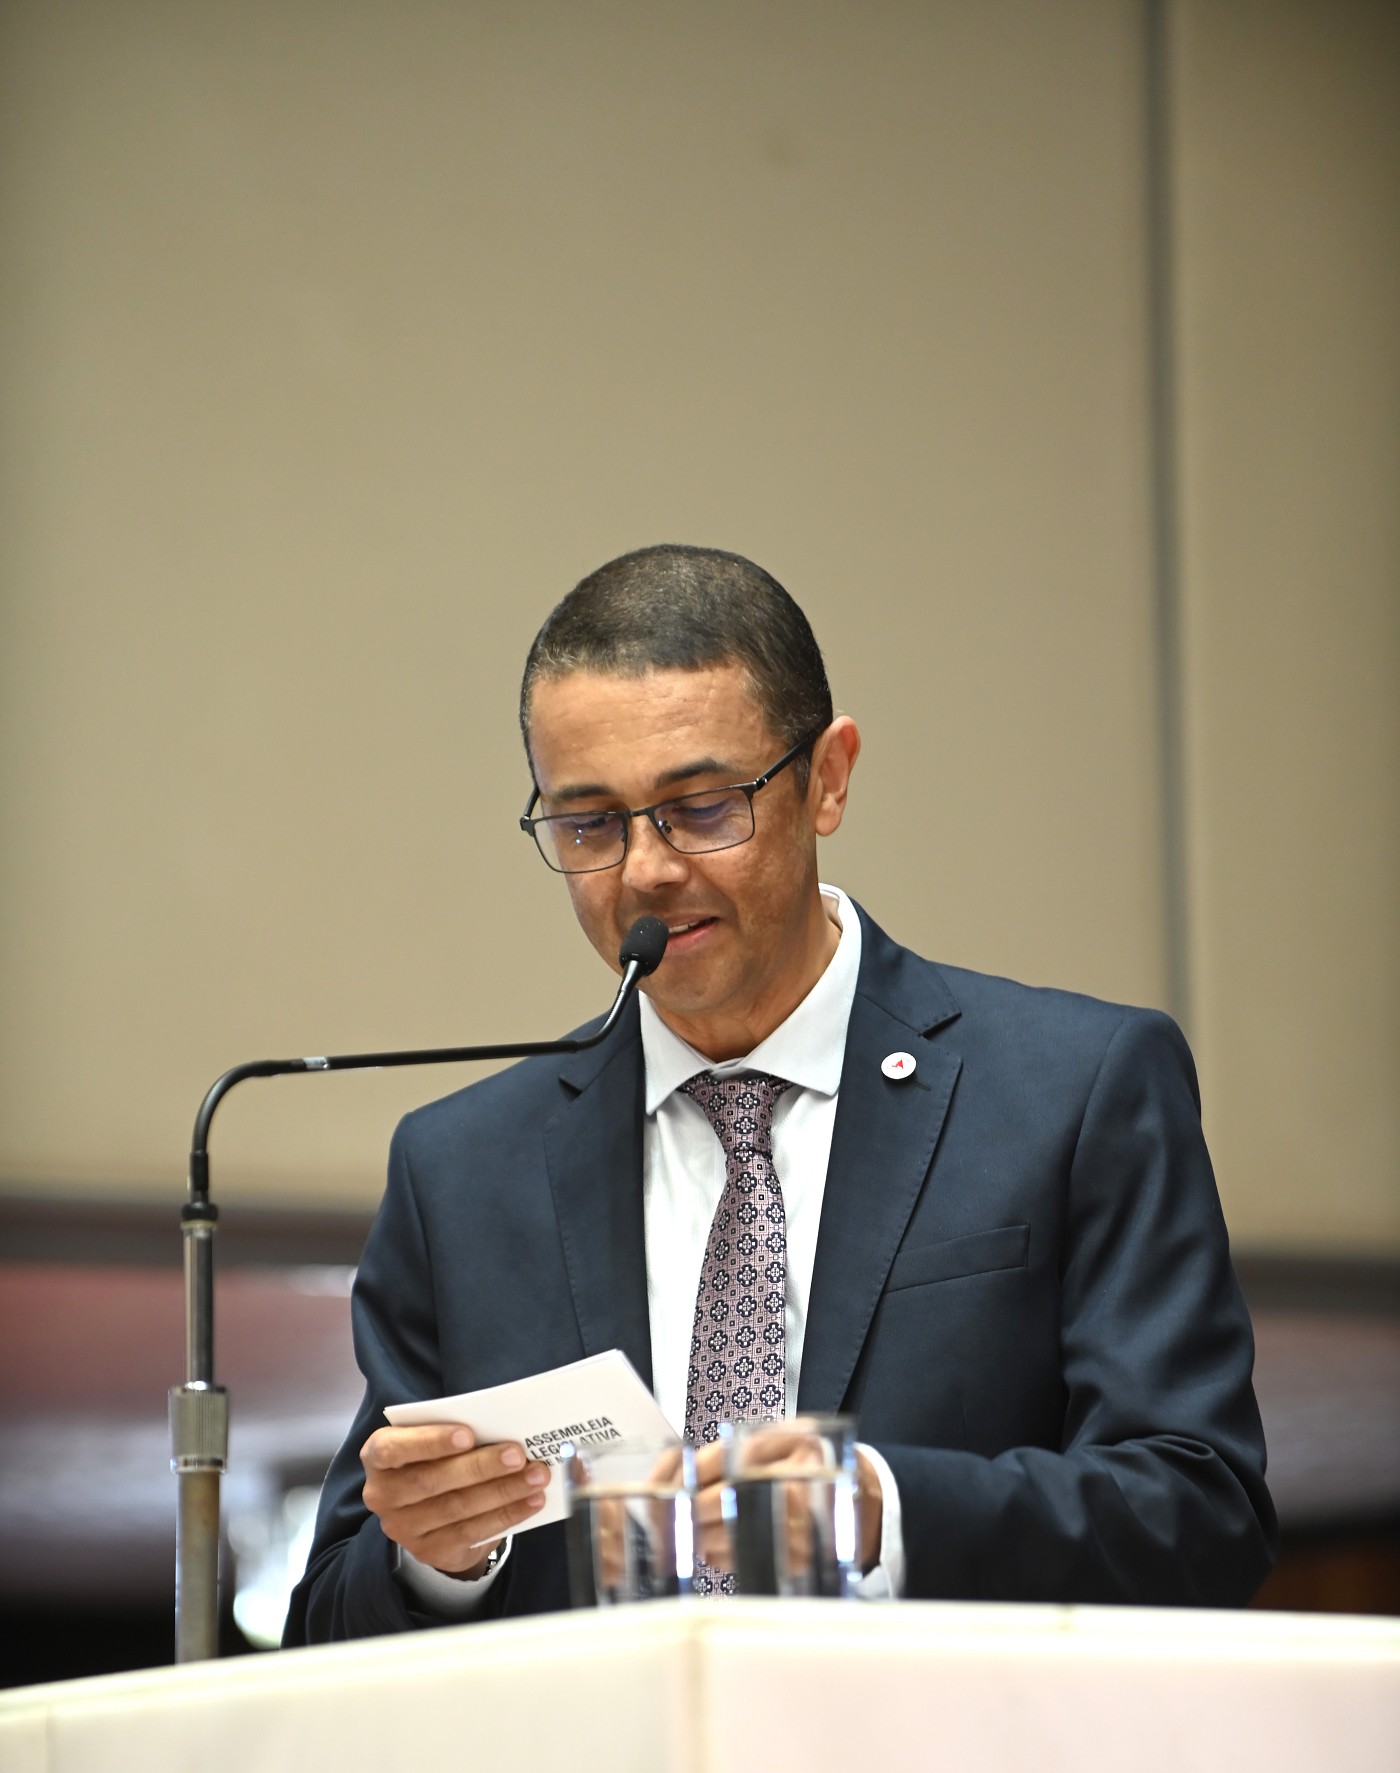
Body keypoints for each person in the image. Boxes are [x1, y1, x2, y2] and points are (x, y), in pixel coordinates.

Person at [284, 545, 1275, 1644]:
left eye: (702, 807)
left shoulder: (1073, 1090)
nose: (646, 871)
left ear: (828, 779)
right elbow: (326, 1620)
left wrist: (879, 1509)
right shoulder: (464, 1172)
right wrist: (439, 1560)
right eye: (589, 824)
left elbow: (1200, 1512)